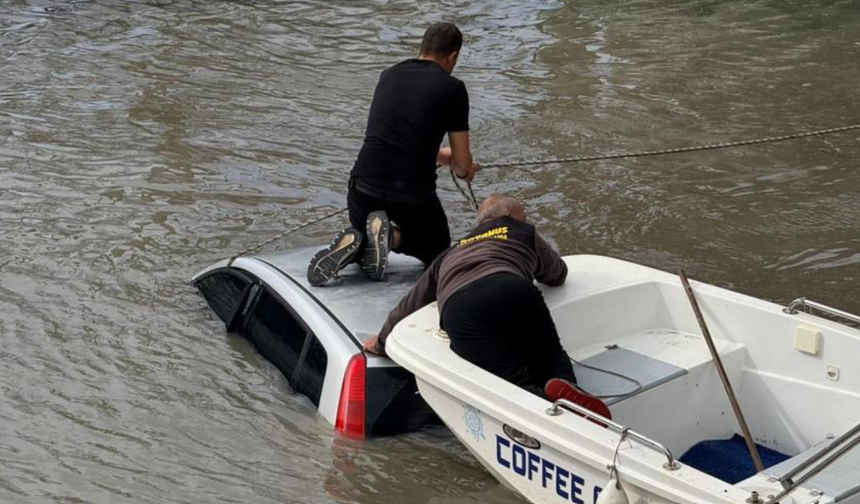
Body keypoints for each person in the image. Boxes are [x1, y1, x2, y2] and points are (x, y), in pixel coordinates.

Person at [363, 194, 611, 416]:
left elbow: (412, 302)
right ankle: (568, 389)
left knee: (506, 379)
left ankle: (551, 414)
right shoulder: (522, 232)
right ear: (509, 216)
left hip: (462, 304)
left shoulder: (452, 251)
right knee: (549, 354)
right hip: (514, 288)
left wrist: (382, 342)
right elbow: (557, 274)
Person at [307, 22, 479, 287]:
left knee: (366, 233)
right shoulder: (453, 88)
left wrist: (439, 156)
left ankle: (362, 242)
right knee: (437, 250)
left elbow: (395, 138)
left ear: (422, 47)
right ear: (453, 56)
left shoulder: (388, 75)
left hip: (362, 187)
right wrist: (465, 169)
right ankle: (390, 239)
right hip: (410, 195)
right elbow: (462, 165)